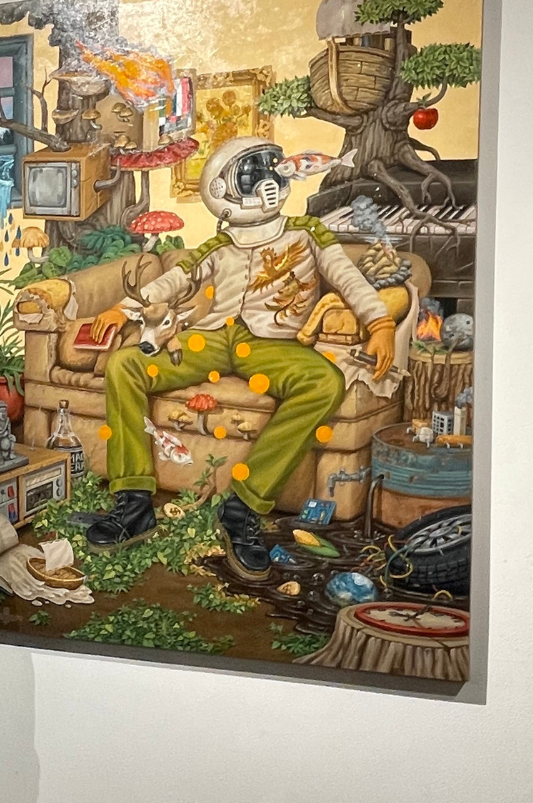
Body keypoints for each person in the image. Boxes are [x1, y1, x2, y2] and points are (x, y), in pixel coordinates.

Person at [87, 136, 397, 580]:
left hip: (274, 345)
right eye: (253, 175)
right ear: (223, 191)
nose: (269, 182)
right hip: (211, 339)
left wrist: (380, 323)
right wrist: (125, 309)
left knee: (325, 382)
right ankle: (134, 502)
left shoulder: (308, 233)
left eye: (271, 170)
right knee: (125, 364)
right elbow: (174, 280)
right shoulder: (217, 246)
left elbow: (347, 277)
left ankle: (243, 505)